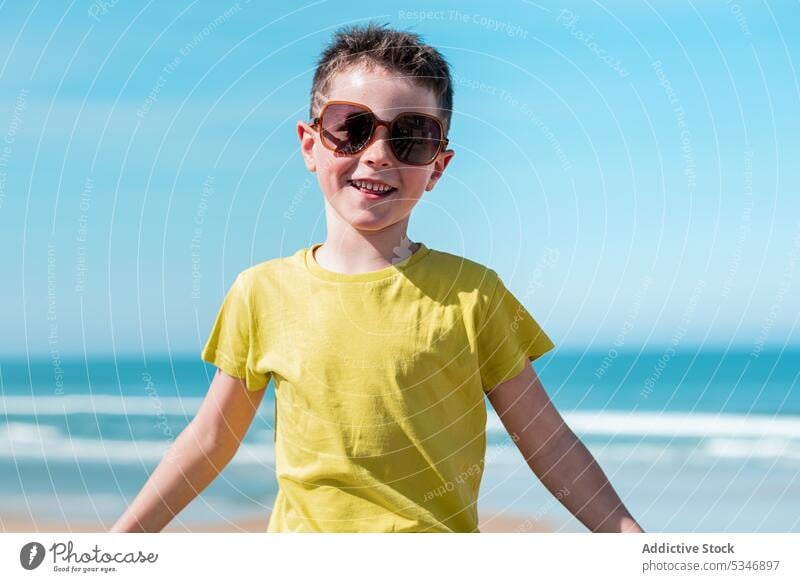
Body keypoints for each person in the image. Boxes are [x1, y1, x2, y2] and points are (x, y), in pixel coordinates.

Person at [111, 22, 643, 534]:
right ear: (310, 144)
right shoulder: (261, 293)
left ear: (437, 166)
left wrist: (633, 544)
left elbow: (547, 442)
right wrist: (117, 545)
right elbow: (210, 440)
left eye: (410, 137)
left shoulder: (473, 295)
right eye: (351, 128)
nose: (377, 155)